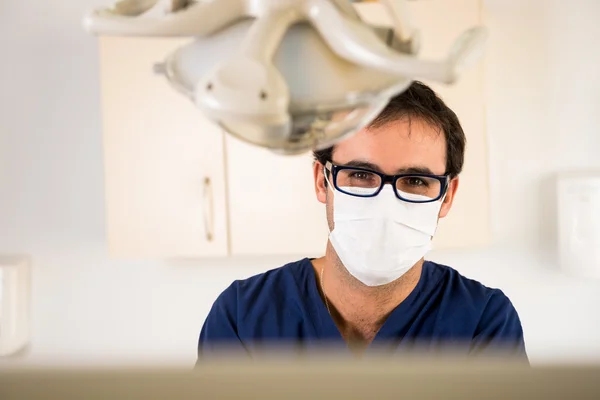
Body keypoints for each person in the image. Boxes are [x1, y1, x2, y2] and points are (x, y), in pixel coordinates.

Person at [197, 81, 527, 361]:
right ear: (321, 180)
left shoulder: (483, 323)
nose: (385, 203)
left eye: (414, 181)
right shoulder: (244, 316)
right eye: (359, 174)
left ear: (447, 196)